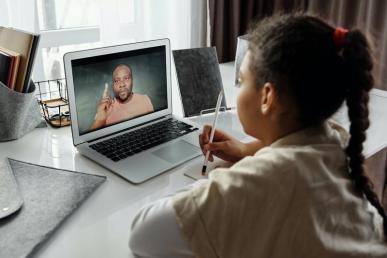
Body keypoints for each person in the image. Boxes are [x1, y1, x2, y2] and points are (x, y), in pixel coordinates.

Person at [129, 14, 387, 258]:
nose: (238, 88)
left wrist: (217, 184)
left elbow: (143, 234)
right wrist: (244, 151)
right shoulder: (336, 140)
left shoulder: (258, 183)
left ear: (267, 97)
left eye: (241, 80)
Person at [90, 64, 154, 130]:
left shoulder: (145, 99)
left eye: (126, 78)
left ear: (132, 81)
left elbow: (152, 127)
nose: (122, 84)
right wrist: (100, 120)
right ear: (113, 85)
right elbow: (91, 138)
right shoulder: (106, 108)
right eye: (117, 81)